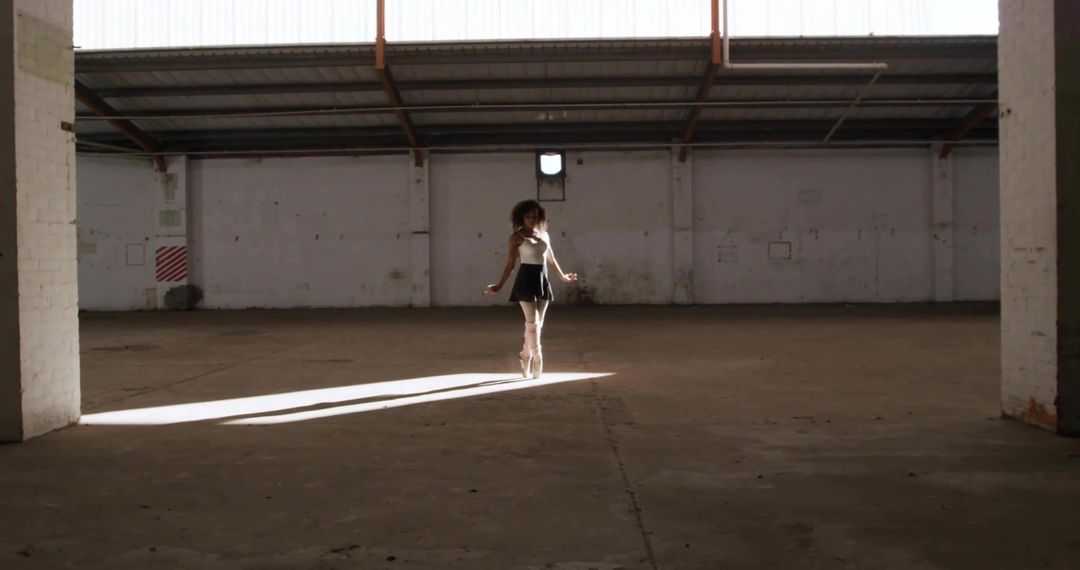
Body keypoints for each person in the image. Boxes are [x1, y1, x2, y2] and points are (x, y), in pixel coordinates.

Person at [483, 200, 578, 379]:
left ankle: (525, 355)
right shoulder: (516, 237)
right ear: (522, 217)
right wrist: (499, 285)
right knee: (532, 323)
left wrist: (563, 277)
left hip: (542, 279)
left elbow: (551, 258)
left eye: (535, 216)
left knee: (538, 324)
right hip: (525, 279)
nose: (532, 219)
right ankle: (537, 357)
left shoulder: (545, 235)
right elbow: (510, 263)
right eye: (529, 216)